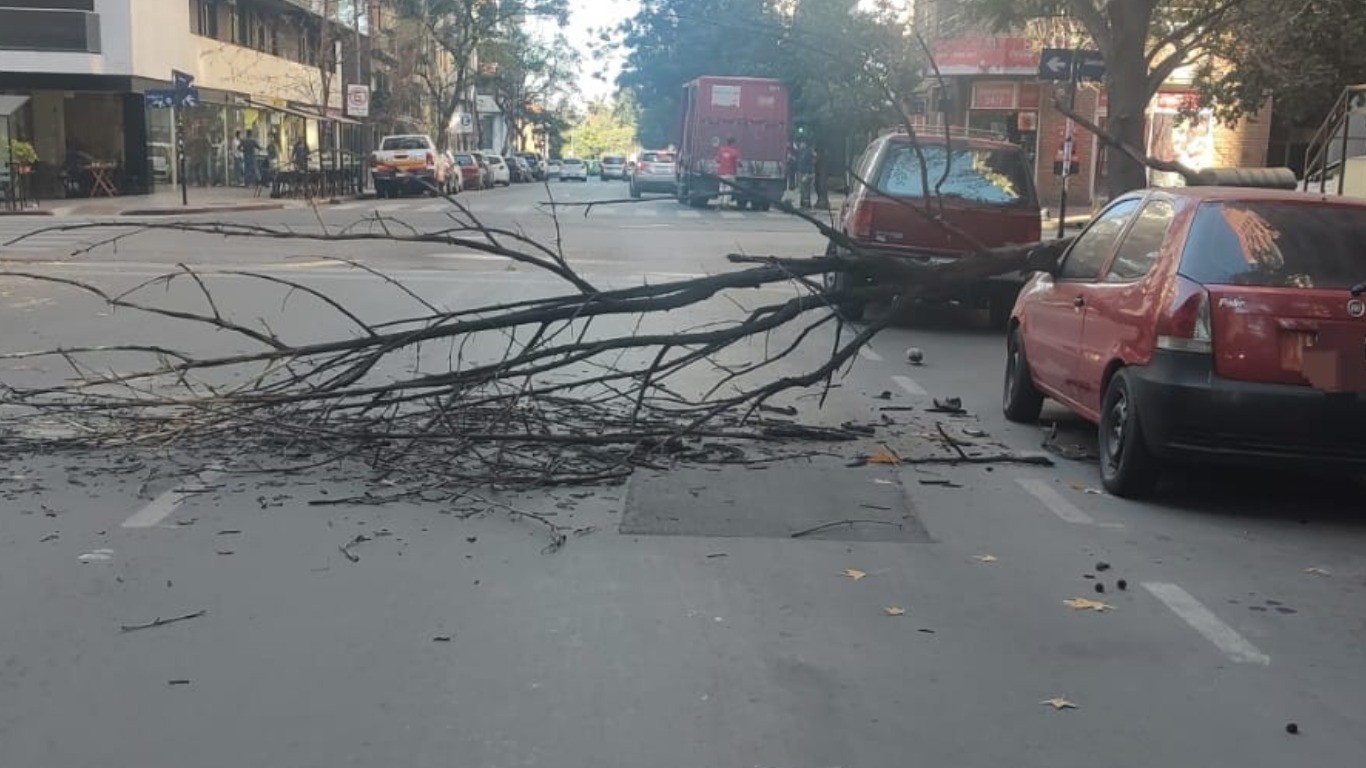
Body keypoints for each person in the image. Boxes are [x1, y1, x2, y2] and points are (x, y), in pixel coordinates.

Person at [715, 137, 740, 209]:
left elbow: (717, 160)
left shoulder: (721, 150)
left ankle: (719, 203)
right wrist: (736, 172)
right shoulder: (734, 152)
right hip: (730, 173)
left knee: (721, 188)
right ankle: (725, 204)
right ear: (733, 143)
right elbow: (737, 163)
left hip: (722, 173)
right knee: (728, 189)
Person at [796, 141, 814, 209]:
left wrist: (806, 174)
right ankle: (803, 203)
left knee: (806, 189)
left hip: (805, 173)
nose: (800, 144)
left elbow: (808, 164)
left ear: (805, 144)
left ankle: (807, 204)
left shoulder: (807, 152)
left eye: (802, 143)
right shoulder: (801, 152)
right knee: (802, 189)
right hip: (801, 172)